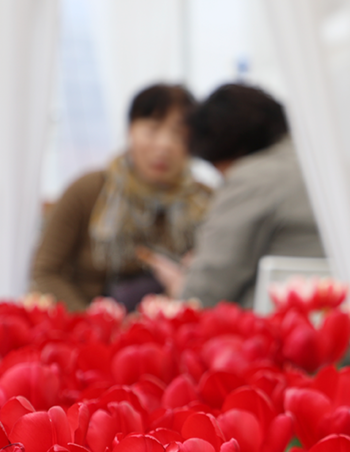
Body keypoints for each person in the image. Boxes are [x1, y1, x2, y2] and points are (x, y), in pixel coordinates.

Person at [30, 84, 212, 310]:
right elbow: (46, 271)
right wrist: (92, 322)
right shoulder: (88, 190)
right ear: (130, 130)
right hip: (88, 327)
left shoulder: (206, 200)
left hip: (172, 326)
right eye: (152, 129)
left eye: (179, 134)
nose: (164, 145)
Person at [143, 83, 322, 307]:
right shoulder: (326, 166)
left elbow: (203, 293)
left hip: (273, 325)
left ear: (229, 149)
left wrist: (181, 284)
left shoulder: (252, 178)